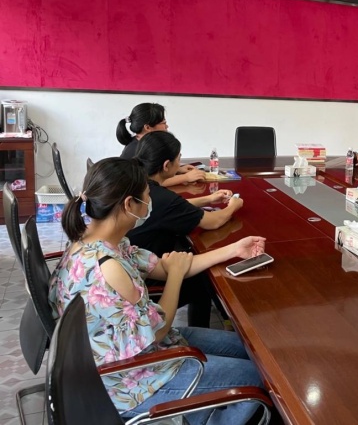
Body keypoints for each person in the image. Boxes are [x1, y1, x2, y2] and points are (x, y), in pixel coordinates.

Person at [48, 157, 266, 425]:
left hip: (138, 350)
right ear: (129, 204)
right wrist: (175, 276)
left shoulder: (100, 242)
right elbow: (159, 329)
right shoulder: (109, 268)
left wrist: (234, 249)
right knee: (257, 374)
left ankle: (203, 411)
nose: (150, 202)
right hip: (129, 379)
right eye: (147, 196)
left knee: (253, 349)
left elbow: (167, 266)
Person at [128, 131, 243, 327]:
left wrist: (208, 199)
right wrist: (233, 206)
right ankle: (206, 328)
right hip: (146, 279)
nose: (180, 163)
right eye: (178, 158)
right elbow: (213, 221)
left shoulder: (139, 184)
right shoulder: (157, 196)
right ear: (166, 165)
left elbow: (171, 206)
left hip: (139, 263)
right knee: (202, 281)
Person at [117, 103, 205, 187]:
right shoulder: (139, 148)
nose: (167, 126)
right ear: (147, 127)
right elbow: (153, 181)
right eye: (164, 123)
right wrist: (186, 177)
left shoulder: (146, 143)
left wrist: (178, 169)